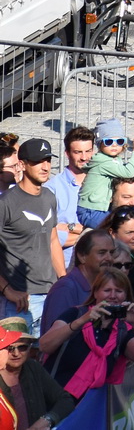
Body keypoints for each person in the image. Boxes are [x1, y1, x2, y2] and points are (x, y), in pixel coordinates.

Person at [38, 269, 134, 395]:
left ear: (125, 295)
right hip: (52, 396)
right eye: (107, 290)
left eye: (119, 291)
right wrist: (82, 321)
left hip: (88, 406)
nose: (113, 296)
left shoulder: (122, 329)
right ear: (95, 293)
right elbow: (45, 345)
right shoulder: (76, 313)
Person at [0, 138, 65, 334]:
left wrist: (63, 281)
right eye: (37, 161)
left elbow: (53, 241)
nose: (45, 167)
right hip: (19, 300)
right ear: (22, 165)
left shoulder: (49, 197)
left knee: (44, 358)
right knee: (14, 360)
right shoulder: (6, 203)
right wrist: (7, 290)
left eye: (48, 160)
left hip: (51, 294)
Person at [0, 316, 76, 430]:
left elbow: (65, 400)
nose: (16, 353)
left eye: (22, 347)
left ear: (30, 347)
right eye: (10, 348)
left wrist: (46, 420)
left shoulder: (33, 367)